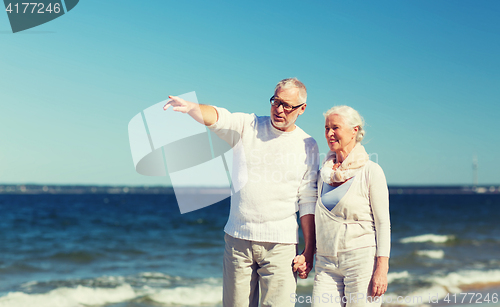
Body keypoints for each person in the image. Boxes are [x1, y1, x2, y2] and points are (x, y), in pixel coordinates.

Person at [163, 78, 318, 307]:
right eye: (275, 102)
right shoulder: (248, 125)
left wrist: (309, 249)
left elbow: (307, 200)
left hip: (281, 246)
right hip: (238, 241)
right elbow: (219, 117)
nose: (279, 109)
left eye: (287, 105)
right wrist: (194, 108)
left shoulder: (307, 144)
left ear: (302, 109)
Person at [297, 105, 390, 306]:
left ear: (354, 130)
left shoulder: (371, 171)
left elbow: (383, 224)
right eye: (326, 128)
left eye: (335, 127)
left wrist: (381, 269)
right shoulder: (323, 174)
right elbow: (314, 216)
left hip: (361, 260)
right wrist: (308, 252)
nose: (329, 134)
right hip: (326, 262)